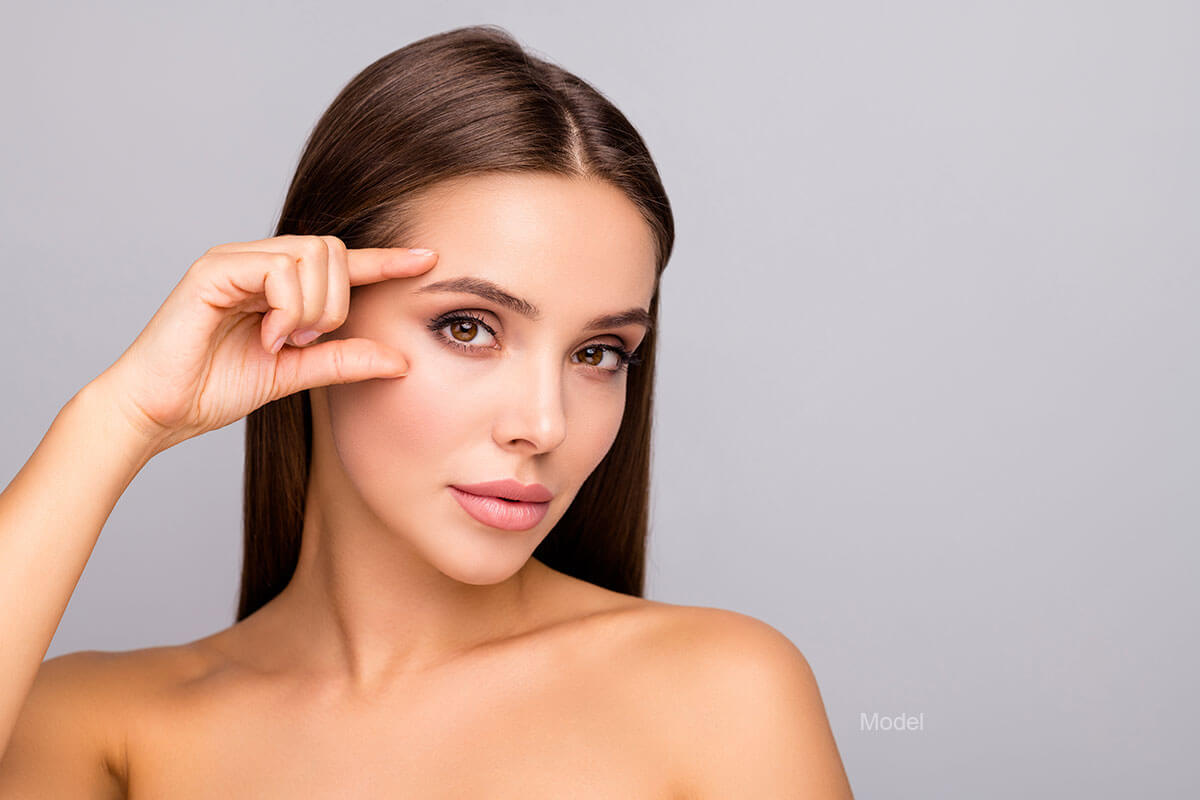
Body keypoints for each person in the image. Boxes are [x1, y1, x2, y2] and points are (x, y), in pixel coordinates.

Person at [0, 24, 853, 798]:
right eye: (469, 327)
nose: (543, 425)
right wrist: (117, 420)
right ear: (314, 317)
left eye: (599, 354)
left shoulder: (723, 691)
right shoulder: (101, 728)